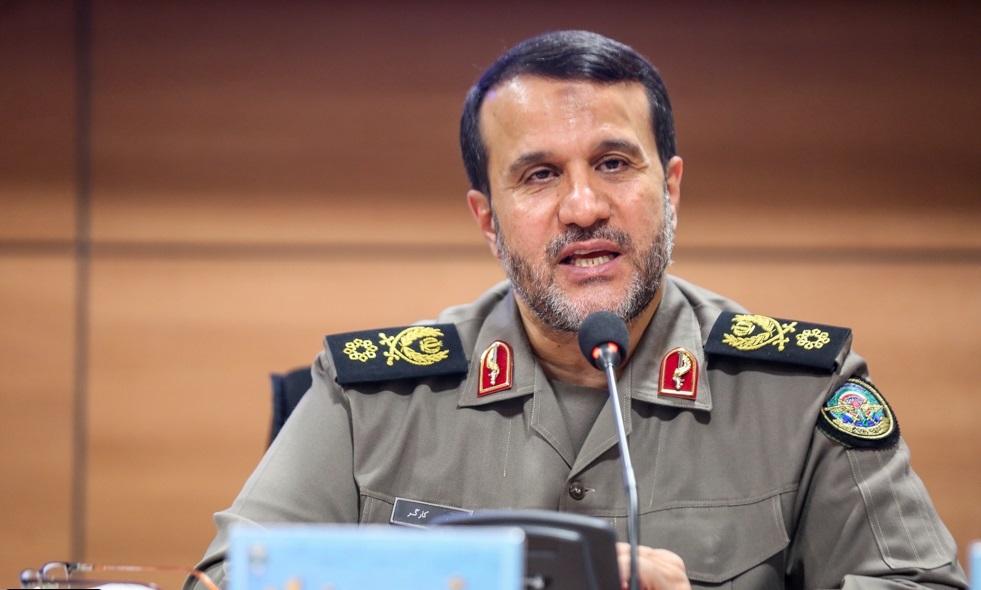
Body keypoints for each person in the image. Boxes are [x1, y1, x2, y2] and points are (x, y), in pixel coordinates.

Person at [194, 31, 967, 589]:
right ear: (487, 219)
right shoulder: (371, 397)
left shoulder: (799, 393)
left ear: (670, 189)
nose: (583, 206)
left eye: (613, 163)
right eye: (538, 175)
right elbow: (229, 580)